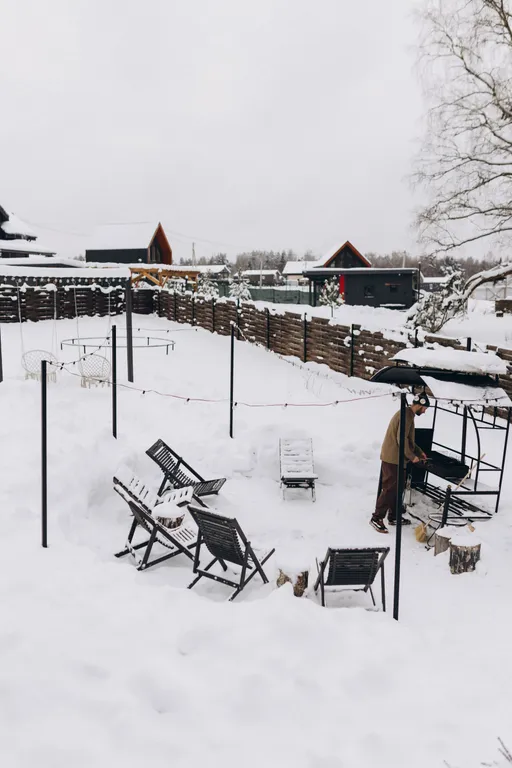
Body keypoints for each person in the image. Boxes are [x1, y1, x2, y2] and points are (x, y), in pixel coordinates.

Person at [370, 392, 430, 534]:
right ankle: (376, 518)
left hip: (398, 458)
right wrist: (412, 456)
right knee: (390, 488)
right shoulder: (406, 416)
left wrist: (419, 451)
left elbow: (409, 439)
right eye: (425, 408)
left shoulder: (409, 415)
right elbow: (401, 439)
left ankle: (393, 516)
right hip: (393, 458)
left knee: (398, 488)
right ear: (420, 404)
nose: (425, 411)